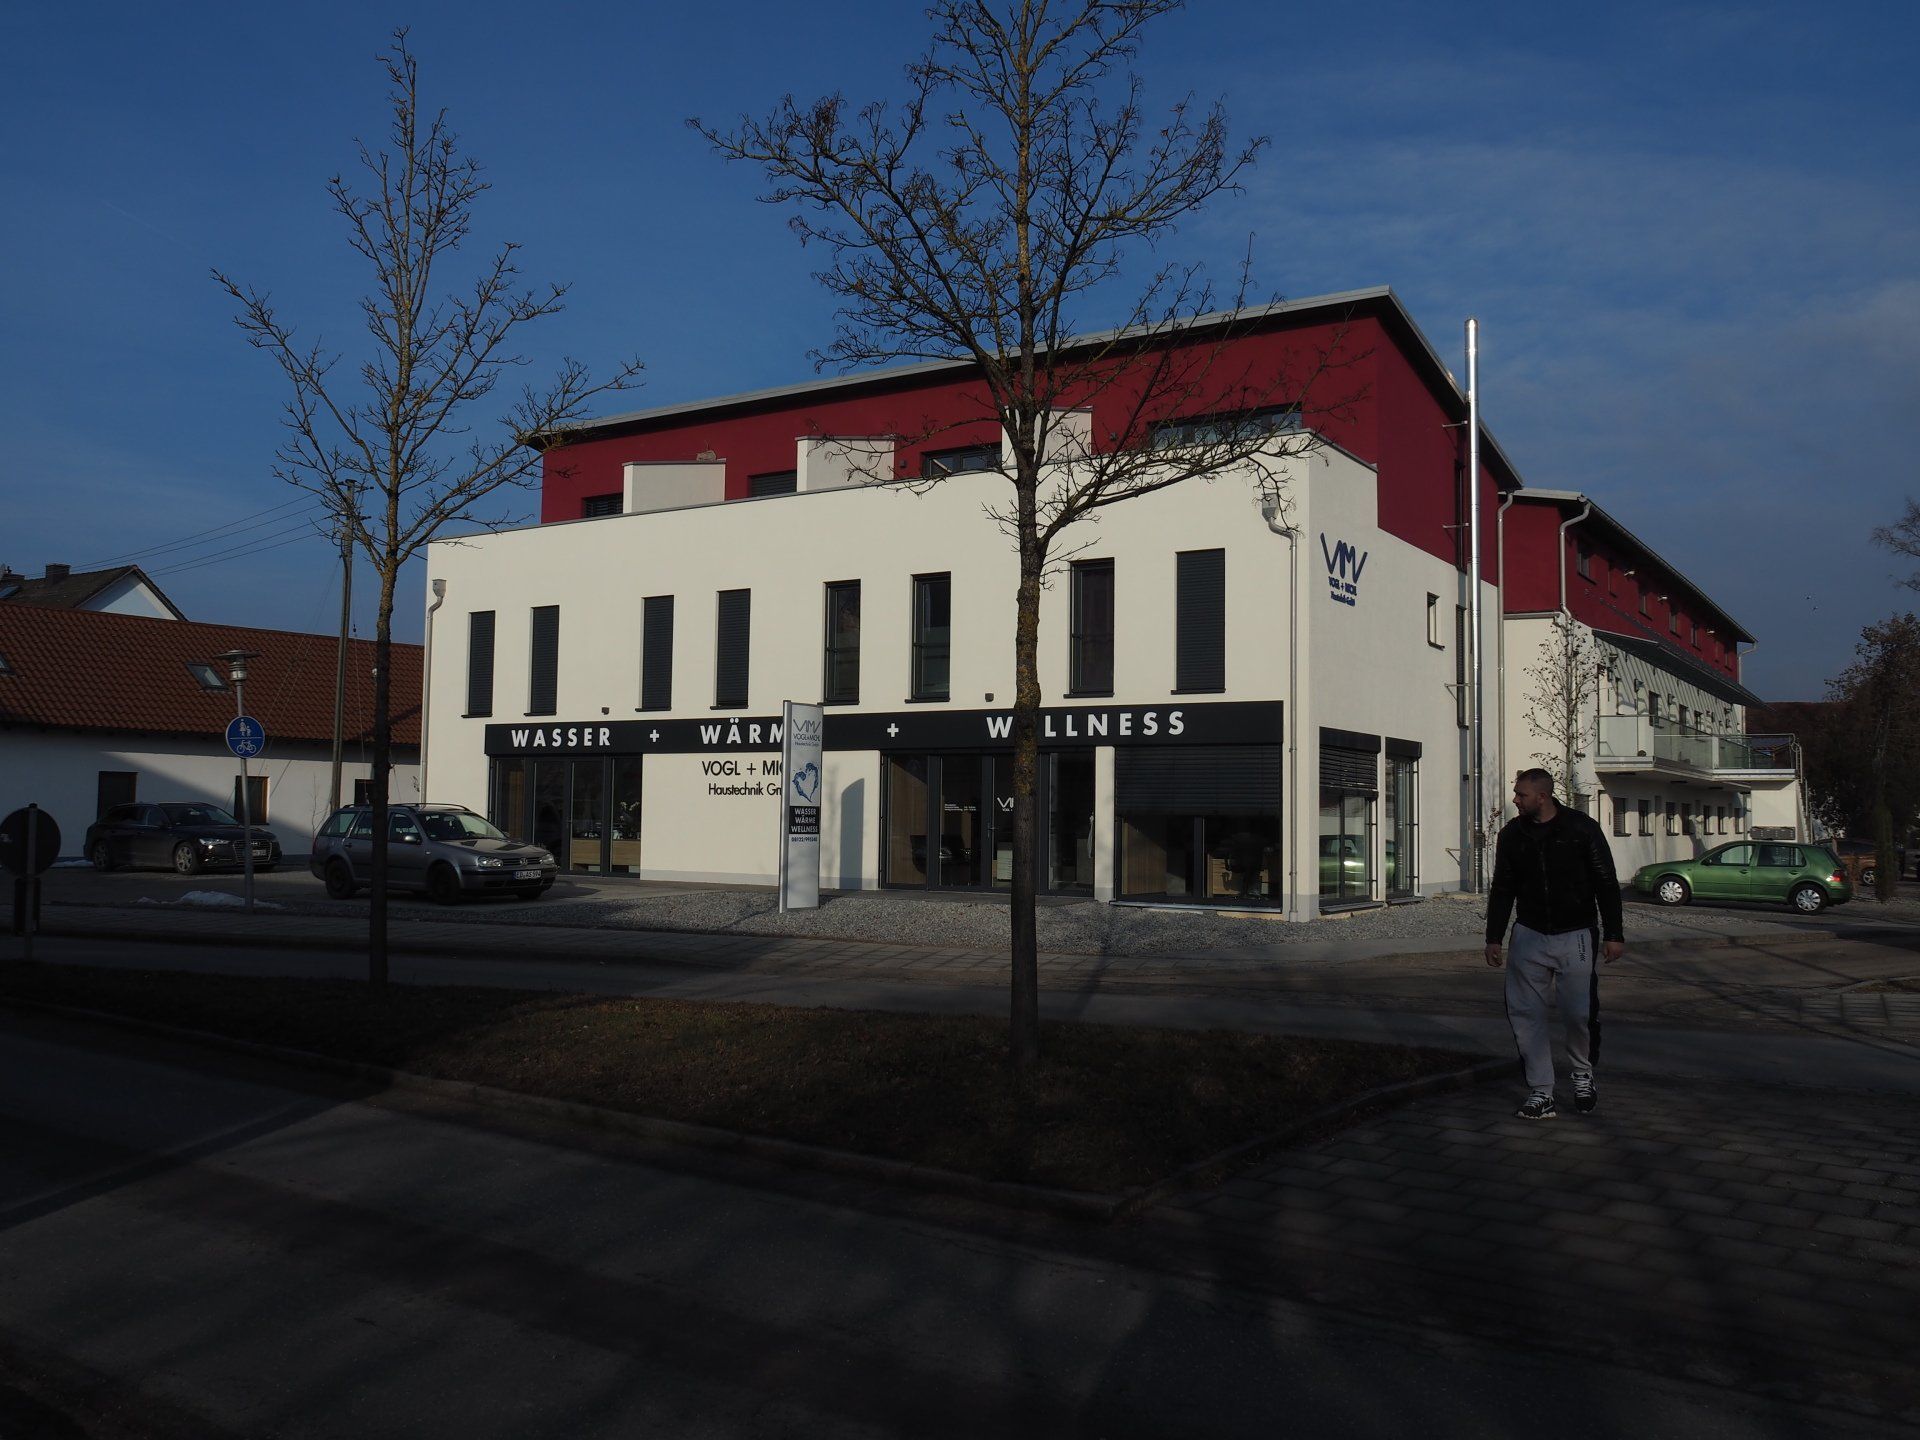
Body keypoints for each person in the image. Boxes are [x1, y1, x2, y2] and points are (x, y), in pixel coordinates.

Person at [1484, 769, 1626, 1119]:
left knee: (1578, 1013)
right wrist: (1494, 937)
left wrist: (1614, 933)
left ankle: (1582, 1073)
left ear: (1542, 797)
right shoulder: (1511, 835)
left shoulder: (1581, 829)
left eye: (1521, 794)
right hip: (1529, 934)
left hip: (1575, 933)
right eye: (1516, 794)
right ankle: (1541, 1091)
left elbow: (1606, 881)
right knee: (1525, 1013)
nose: (1515, 799)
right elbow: (1503, 888)